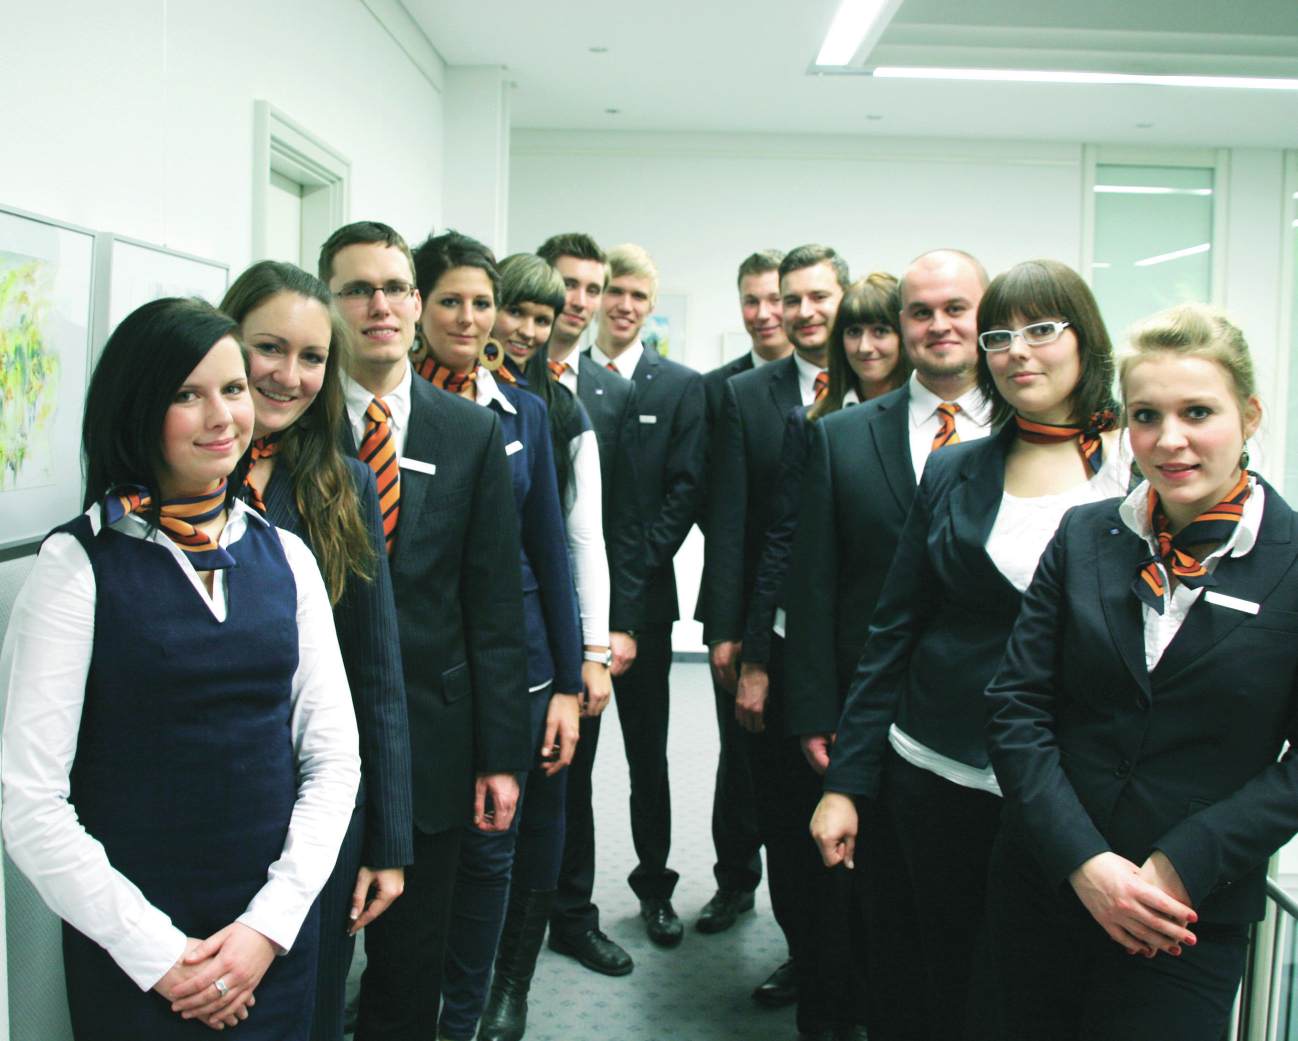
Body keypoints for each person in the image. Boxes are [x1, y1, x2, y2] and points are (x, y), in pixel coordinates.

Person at [0, 297, 360, 1039]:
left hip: (272, 943)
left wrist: (267, 928)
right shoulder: (77, 565)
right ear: (138, 409)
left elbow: (333, 760)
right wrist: (163, 958)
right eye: (186, 395)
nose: (222, 416)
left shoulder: (287, 557)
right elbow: (30, 802)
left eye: (233, 389)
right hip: (135, 955)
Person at [811, 258, 1129, 1040]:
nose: (1018, 351)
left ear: (1086, 339)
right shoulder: (958, 467)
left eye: (1041, 329)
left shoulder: (1139, 466)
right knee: (935, 977)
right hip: (942, 763)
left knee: (1048, 989)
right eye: (999, 337)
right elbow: (894, 628)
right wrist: (846, 782)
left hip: (1082, 779)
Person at [984, 302, 1292, 1041]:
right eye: (1147, 415)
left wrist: (1178, 864)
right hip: (1046, 885)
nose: (1169, 439)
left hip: (1184, 914)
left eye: (1198, 412)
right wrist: (1085, 860)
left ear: (1249, 416)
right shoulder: (1086, 535)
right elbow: (1016, 705)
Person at [318, 221, 531, 1041]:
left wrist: (500, 755)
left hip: (435, 741)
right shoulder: (297, 426)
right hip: (318, 738)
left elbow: (493, 606)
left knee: (410, 977)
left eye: (394, 288)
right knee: (313, 969)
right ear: (329, 303)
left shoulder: (469, 431)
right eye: (357, 289)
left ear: (414, 302)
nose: (379, 305)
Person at [784, 248, 991, 1040]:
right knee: (879, 913)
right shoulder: (840, 437)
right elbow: (812, 587)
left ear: (985, 317)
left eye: (956, 308)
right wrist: (815, 711)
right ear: (901, 325)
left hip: (989, 723)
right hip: (866, 709)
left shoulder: (1031, 431)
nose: (939, 325)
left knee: (976, 926)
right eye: (921, 311)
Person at [221, 260, 414, 1041]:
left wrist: (388, 842)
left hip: (321, 809)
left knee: (309, 1014)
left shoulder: (344, 484)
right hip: (206, 807)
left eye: (311, 357)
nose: (289, 375)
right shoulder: (169, 473)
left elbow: (378, 672)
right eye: (269, 348)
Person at [407, 231, 582, 1041]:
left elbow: (552, 550)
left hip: (523, 663)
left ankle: (474, 1008)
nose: (470, 318)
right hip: (427, 662)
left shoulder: (526, 411)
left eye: (483, 303)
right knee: (419, 840)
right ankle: (406, 991)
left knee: (494, 843)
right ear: (419, 306)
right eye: (452, 301)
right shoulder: (390, 404)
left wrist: (571, 682)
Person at [700, 244, 847, 1037]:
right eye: (792, 298)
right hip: (769, 633)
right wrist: (730, 632)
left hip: (850, 638)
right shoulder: (745, 395)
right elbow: (730, 520)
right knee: (777, 796)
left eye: (819, 295)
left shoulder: (881, 385)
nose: (803, 310)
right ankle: (802, 950)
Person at [474, 250, 612, 1038]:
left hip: (540, 642)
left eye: (541, 316)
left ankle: (510, 983)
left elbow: (577, 542)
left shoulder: (556, 412)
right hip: (461, 645)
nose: (525, 329)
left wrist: (587, 656)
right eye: (515, 311)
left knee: (541, 806)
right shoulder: (441, 396)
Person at [589, 242, 707, 947]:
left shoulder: (679, 387)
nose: (624, 305)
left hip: (647, 607)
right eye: (614, 291)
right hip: (573, 607)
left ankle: (655, 888)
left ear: (651, 304)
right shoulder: (566, 378)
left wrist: (627, 604)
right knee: (568, 764)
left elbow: (684, 495)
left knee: (647, 757)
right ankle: (564, 902)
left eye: (638, 295)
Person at [537, 232, 647, 978]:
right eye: (566, 284)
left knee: (573, 775)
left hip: (584, 614)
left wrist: (610, 632)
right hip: (511, 610)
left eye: (591, 287)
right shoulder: (493, 377)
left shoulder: (610, 393)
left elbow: (620, 523)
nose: (578, 300)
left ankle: (572, 916)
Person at [694, 250, 791, 965]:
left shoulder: (847, 382)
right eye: (751, 300)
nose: (764, 313)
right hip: (738, 595)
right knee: (739, 754)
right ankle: (734, 882)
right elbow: (717, 509)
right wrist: (727, 624)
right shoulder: (720, 389)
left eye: (775, 299)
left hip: (809, 608)